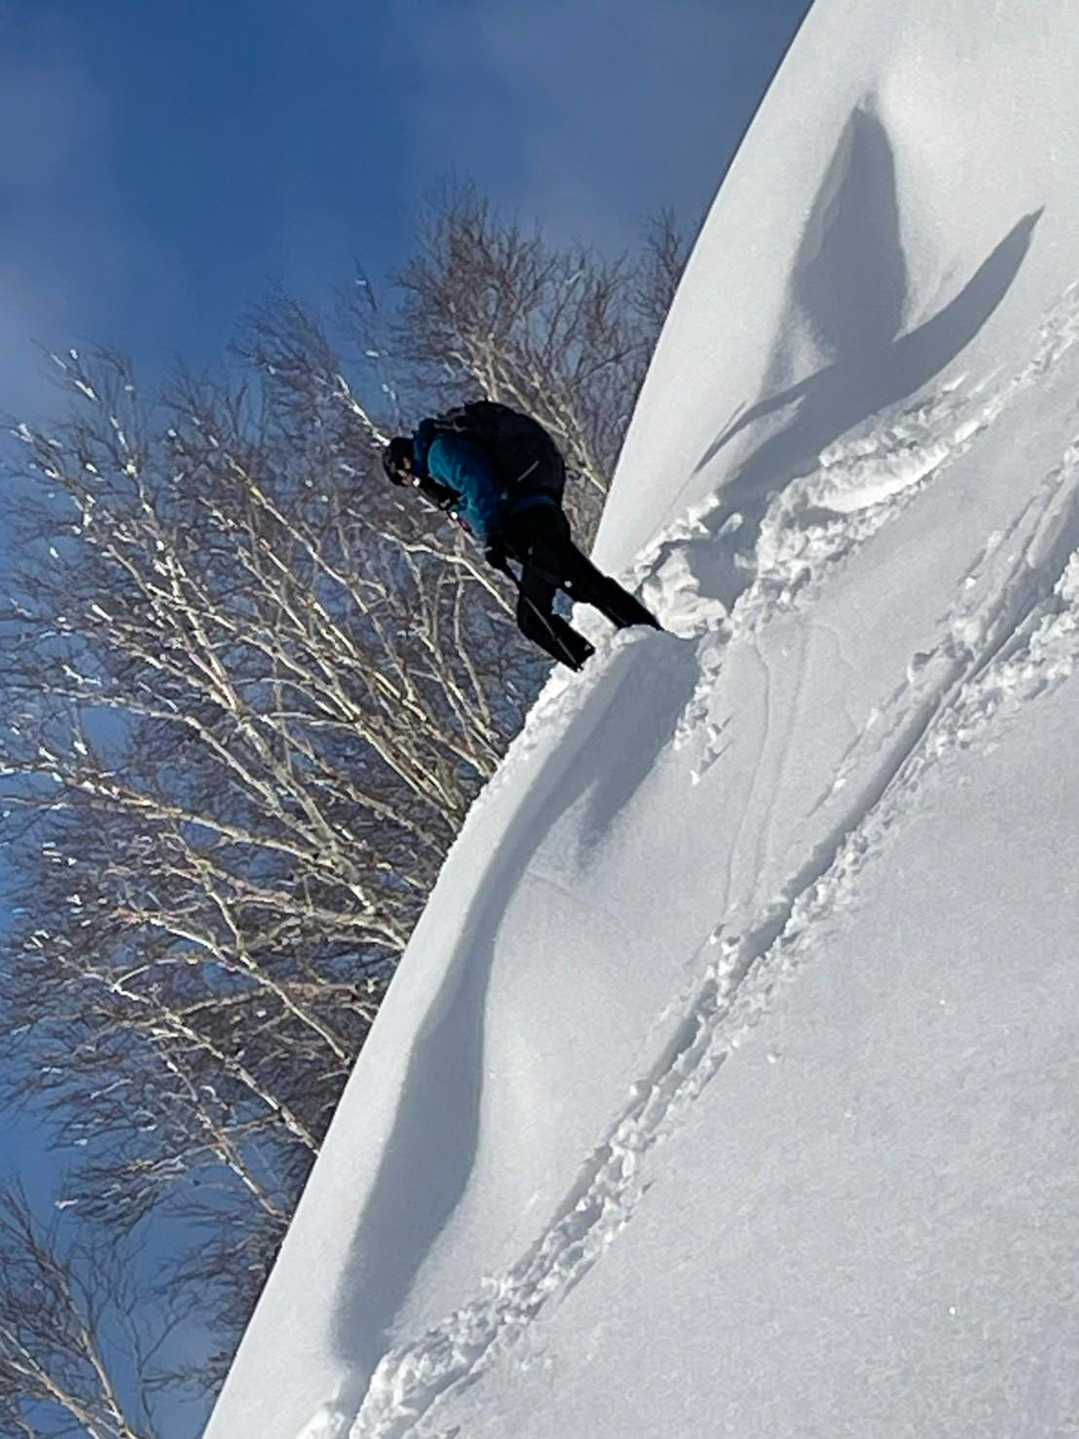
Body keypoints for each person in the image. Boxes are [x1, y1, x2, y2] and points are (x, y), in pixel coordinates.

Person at [381, 401, 660, 670]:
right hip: (531, 519)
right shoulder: (439, 455)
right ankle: (613, 660)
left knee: (567, 594)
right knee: (547, 609)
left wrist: (489, 536)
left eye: (405, 478)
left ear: (405, 462)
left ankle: (636, 650)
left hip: (528, 522)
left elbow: (479, 485)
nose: (412, 483)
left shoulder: (438, 453)